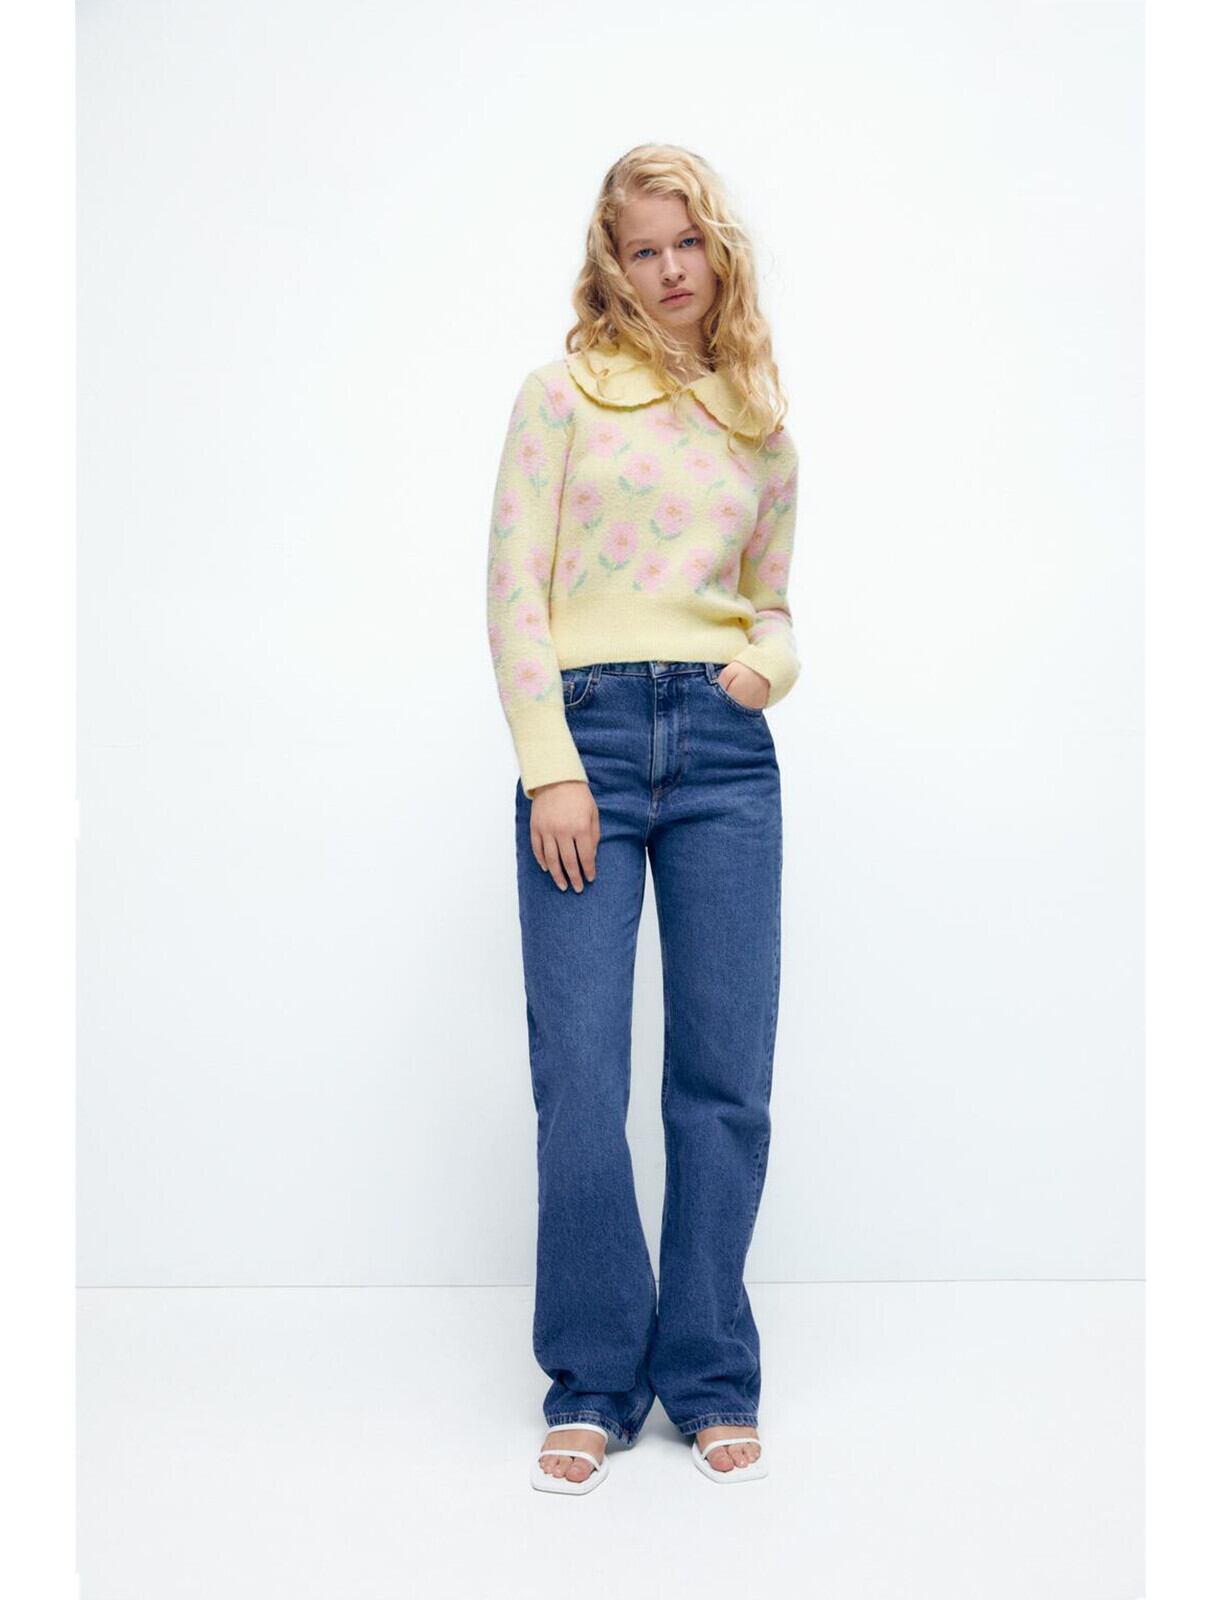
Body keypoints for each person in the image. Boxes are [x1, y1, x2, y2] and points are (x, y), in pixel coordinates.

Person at [484, 144, 801, 1495]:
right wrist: (550, 763)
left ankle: (711, 1370)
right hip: (591, 743)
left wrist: (766, 669)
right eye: (643, 249)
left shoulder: (758, 420)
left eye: (688, 244)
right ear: (611, 263)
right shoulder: (559, 397)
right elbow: (514, 587)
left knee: (724, 1079)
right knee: (580, 1075)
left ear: (718, 252)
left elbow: (773, 600)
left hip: (725, 754)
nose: (670, 270)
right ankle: (595, 1377)